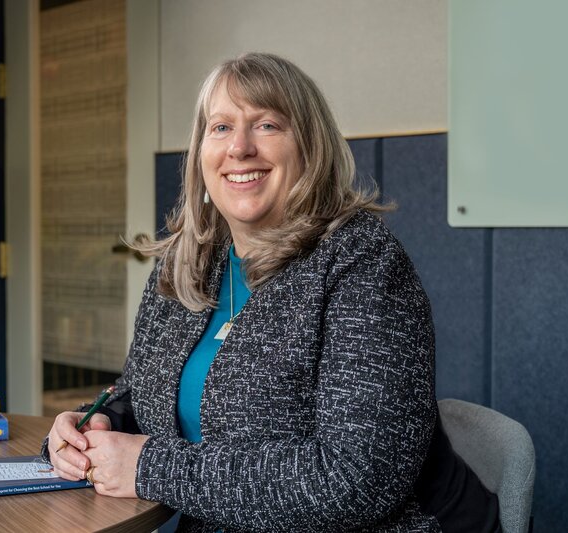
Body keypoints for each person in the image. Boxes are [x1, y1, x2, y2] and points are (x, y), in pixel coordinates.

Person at [44, 52, 500, 532]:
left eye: (266, 125)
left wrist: (151, 467)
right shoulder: (186, 261)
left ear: (310, 149)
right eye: (220, 128)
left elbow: (356, 482)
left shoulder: (362, 263)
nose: (239, 147)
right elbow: (142, 392)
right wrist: (95, 427)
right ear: (201, 155)